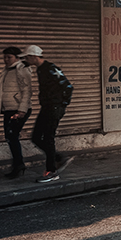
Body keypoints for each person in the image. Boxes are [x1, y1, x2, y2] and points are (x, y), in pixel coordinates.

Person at [23, 45, 74, 183]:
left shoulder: (50, 68)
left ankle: (51, 171)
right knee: (36, 137)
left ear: (34, 56)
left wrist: (62, 105)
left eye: (27, 57)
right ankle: (58, 158)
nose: (26, 60)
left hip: (54, 108)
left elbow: (68, 86)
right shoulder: (40, 69)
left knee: (48, 138)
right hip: (47, 107)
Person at [0, 46, 33, 179]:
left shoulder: (21, 69)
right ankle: (18, 164)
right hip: (9, 108)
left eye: (9, 57)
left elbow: (27, 91)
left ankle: (19, 165)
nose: (6, 60)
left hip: (18, 109)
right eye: (4, 57)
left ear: (17, 58)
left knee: (12, 136)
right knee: (10, 137)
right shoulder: (7, 70)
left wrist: (22, 110)